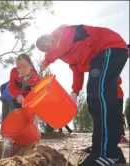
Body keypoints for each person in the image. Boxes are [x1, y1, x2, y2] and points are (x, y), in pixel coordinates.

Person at [36, 25, 129, 166]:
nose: (46, 49)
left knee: (98, 93)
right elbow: (77, 70)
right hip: (99, 58)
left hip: (109, 47)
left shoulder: (61, 32)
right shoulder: (64, 55)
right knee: (93, 100)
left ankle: (108, 153)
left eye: (45, 45)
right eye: (43, 50)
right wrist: (74, 93)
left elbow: (64, 44)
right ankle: (101, 149)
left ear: (49, 36)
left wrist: (46, 61)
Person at [117, 77, 129, 143]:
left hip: (118, 96)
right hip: (108, 96)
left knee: (118, 116)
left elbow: (119, 81)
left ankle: (121, 135)